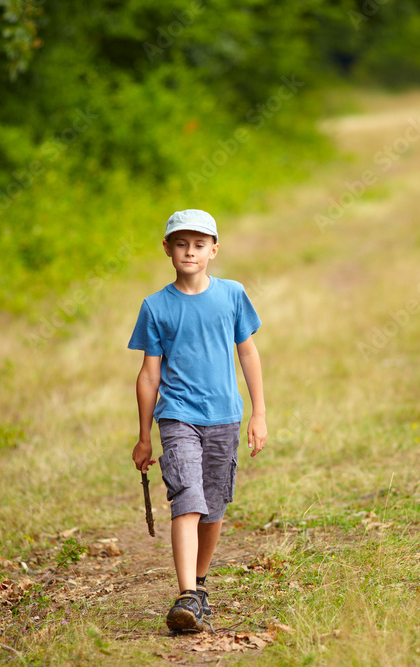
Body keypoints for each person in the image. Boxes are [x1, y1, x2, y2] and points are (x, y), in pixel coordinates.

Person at [128, 209, 268, 633]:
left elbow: (248, 353)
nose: (190, 251)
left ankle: (200, 585)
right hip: (178, 416)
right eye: (181, 243)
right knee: (187, 497)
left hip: (224, 414)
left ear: (213, 250)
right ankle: (186, 594)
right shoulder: (155, 307)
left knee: (214, 506)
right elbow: (150, 373)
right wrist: (143, 436)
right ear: (167, 248)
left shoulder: (232, 295)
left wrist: (259, 413)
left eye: (199, 244)